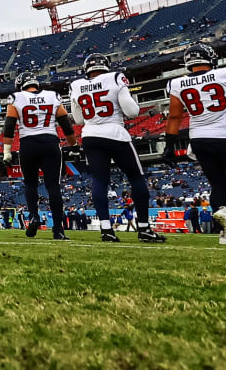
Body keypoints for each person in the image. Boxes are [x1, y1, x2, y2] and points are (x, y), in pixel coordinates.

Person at [163, 43, 226, 246]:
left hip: (198, 139)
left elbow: (174, 116)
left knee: (218, 185)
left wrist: (169, 146)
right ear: (211, 58)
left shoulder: (177, 83)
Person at [69, 55, 164, 243]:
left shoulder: (76, 85)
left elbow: (78, 120)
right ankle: (144, 228)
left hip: (90, 135)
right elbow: (133, 111)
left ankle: (106, 230)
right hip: (115, 133)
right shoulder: (115, 78)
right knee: (136, 177)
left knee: (99, 181)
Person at [6, 70, 81, 241]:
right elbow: (66, 124)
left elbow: (9, 126)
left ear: (20, 86)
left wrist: (6, 152)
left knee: (30, 184)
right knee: (53, 186)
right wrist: (74, 146)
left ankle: (33, 216)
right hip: (50, 142)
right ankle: (58, 230)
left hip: (28, 144)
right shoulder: (52, 96)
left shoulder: (16, 98)